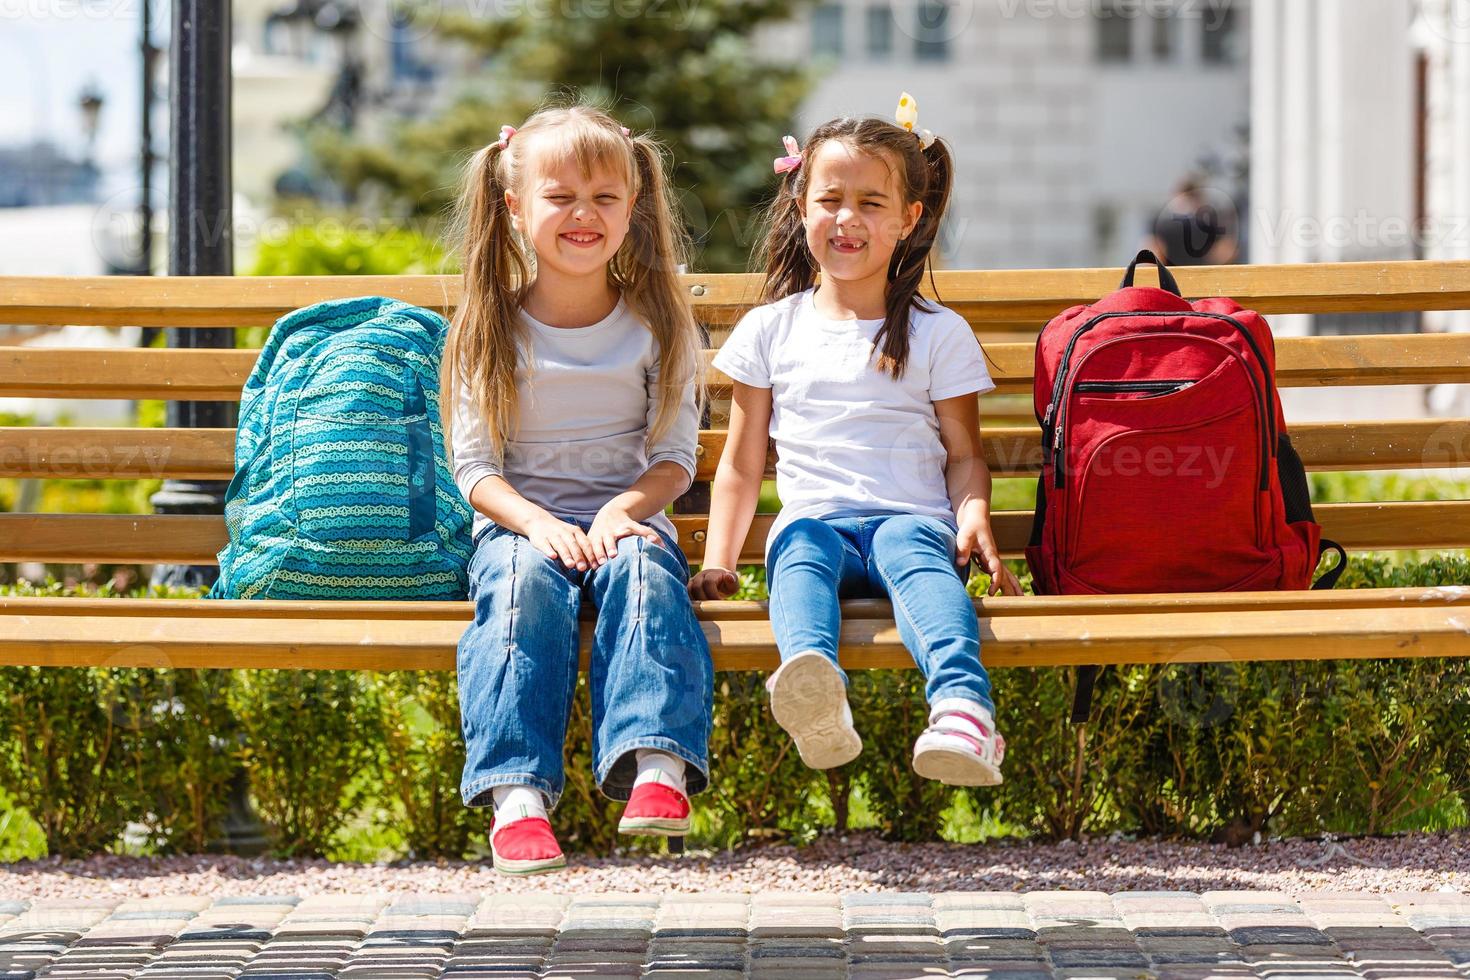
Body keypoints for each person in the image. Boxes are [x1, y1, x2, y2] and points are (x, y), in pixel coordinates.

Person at [689, 94, 1022, 788]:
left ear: (909, 219)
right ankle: (816, 694)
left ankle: (963, 709)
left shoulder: (937, 333)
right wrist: (720, 557)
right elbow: (743, 465)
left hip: (914, 524)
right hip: (819, 527)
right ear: (800, 208)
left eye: (871, 203)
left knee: (909, 550)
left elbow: (964, 456)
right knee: (800, 546)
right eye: (830, 199)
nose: (847, 219)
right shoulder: (770, 329)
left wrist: (973, 515)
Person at [445, 104, 713, 875]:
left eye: (605, 197)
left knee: (642, 570)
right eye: (561, 196)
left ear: (634, 207)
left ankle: (657, 766)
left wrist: (621, 511)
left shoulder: (656, 326)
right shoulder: (488, 327)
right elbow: (475, 471)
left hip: (626, 516)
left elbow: (672, 459)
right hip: (518, 528)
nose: (583, 215)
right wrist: (535, 525)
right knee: (523, 589)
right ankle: (516, 798)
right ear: (515, 207)